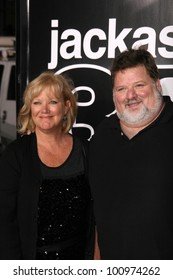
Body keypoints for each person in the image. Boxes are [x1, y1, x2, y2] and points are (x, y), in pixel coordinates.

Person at [89, 47, 173, 260]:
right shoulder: (102, 136)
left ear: (157, 85)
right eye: (121, 89)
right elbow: (98, 215)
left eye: (139, 85)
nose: (130, 96)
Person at [0, 71, 94, 260]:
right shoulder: (15, 155)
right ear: (30, 109)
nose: (44, 110)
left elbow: (96, 217)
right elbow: (5, 223)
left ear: (66, 106)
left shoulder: (86, 151)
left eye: (52, 102)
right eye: (37, 102)